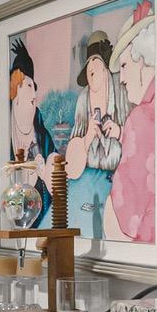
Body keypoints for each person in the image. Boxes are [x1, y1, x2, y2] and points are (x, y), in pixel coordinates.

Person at [65, 29, 124, 239]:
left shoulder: (120, 92)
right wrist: (88, 137)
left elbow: (141, 143)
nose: (94, 75)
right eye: (90, 70)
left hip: (116, 182)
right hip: (85, 180)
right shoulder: (83, 100)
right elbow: (71, 166)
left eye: (98, 67)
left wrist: (119, 132)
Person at [108, 0, 157, 243]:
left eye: (125, 65)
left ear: (143, 58)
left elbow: (127, 213)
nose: (122, 79)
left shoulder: (140, 119)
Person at [6, 37, 55, 228]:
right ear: (16, 86)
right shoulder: (5, 122)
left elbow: (52, 154)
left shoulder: (38, 119)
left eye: (34, 87)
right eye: (29, 86)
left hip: (42, 207)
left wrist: (45, 167)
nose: (34, 95)